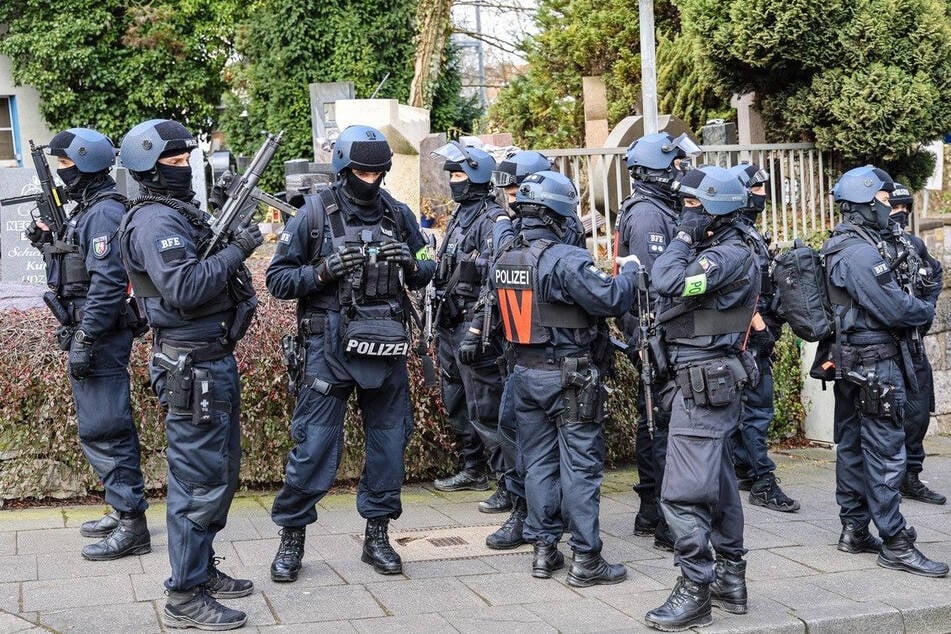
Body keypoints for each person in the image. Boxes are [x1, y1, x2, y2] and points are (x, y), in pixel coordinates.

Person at [266, 125, 435, 582]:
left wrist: (409, 261)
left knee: (388, 445)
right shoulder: (313, 215)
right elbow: (278, 281)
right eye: (363, 171)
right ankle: (292, 539)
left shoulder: (397, 214)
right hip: (327, 348)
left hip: (385, 344)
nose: (372, 179)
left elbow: (426, 268)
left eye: (379, 171)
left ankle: (377, 536)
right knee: (314, 447)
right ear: (343, 169)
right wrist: (323, 271)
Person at [119, 119, 261, 630]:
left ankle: (199, 570)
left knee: (218, 473)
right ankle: (184, 595)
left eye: (186, 162)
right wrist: (238, 249)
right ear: (147, 168)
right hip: (191, 366)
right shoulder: (155, 222)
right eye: (173, 164)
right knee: (197, 481)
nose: (184, 171)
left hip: (209, 359)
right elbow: (183, 288)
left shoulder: (176, 213)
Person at [477, 170, 638, 585]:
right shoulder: (566, 258)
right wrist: (632, 272)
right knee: (580, 468)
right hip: (569, 377)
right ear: (559, 213)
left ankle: (544, 551)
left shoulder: (506, 257)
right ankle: (586, 559)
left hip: (524, 375)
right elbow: (610, 299)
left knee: (538, 465)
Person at [25, 128, 150, 560]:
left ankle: (133, 524)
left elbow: (108, 286)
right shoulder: (87, 211)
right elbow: (77, 274)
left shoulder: (103, 213)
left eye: (65, 166)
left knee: (105, 425)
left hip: (101, 334)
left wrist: (86, 337)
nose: (63, 175)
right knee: (100, 424)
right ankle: (122, 508)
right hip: (92, 330)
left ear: (86, 165)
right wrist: (48, 246)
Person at [644, 165, 760, 631]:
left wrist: (682, 239)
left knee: (682, 493)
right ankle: (730, 580)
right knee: (720, 482)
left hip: (703, 385)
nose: (684, 213)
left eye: (694, 206)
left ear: (718, 209)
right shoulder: (730, 247)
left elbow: (668, 280)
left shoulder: (724, 256)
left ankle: (695, 589)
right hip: (707, 380)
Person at [820, 165, 946, 578]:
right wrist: (924, 310)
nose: (889, 207)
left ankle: (855, 529)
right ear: (862, 204)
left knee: (854, 446)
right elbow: (893, 306)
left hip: (855, 362)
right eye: (881, 200)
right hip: (875, 364)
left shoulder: (846, 244)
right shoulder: (858, 252)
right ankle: (896, 542)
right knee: (886, 452)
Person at [480, 150, 570, 550]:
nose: (511, 199)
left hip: (550, 353)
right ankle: (528, 512)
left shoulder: (559, 229)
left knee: (538, 444)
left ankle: (540, 519)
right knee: (513, 434)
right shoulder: (510, 226)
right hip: (513, 347)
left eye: (518, 190)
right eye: (508, 191)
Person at [614, 132, 699, 549]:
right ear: (653, 172)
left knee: (656, 423)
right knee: (661, 425)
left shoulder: (660, 207)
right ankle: (664, 518)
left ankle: (650, 509)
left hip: (658, 330)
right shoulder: (648, 215)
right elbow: (657, 284)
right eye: (675, 166)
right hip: (656, 332)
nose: (682, 172)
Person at [430, 142, 508, 515]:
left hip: (473, 327)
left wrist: (478, 330)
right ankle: (473, 467)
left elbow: (493, 280)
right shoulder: (462, 215)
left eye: (459, 175)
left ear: (478, 177)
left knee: (485, 406)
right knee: (456, 401)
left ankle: (509, 484)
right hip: (449, 323)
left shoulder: (493, 221)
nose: (454, 182)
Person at [726, 163, 800, 512]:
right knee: (757, 407)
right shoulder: (736, 235)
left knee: (748, 408)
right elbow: (743, 289)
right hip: (749, 334)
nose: (762, 195)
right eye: (756, 189)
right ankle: (763, 483)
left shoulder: (746, 230)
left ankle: (744, 467)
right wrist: (760, 329)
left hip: (756, 329)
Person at [888, 184, 946, 506]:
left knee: (919, 412)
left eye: (905, 209)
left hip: (913, 344)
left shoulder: (914, 245)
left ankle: (911, 475)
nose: (900, 215)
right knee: (885, 415)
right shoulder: (871, 247)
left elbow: (934, 274)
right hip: (883, 346)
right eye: (894, 208)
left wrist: (925, 310)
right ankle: (887, 478)